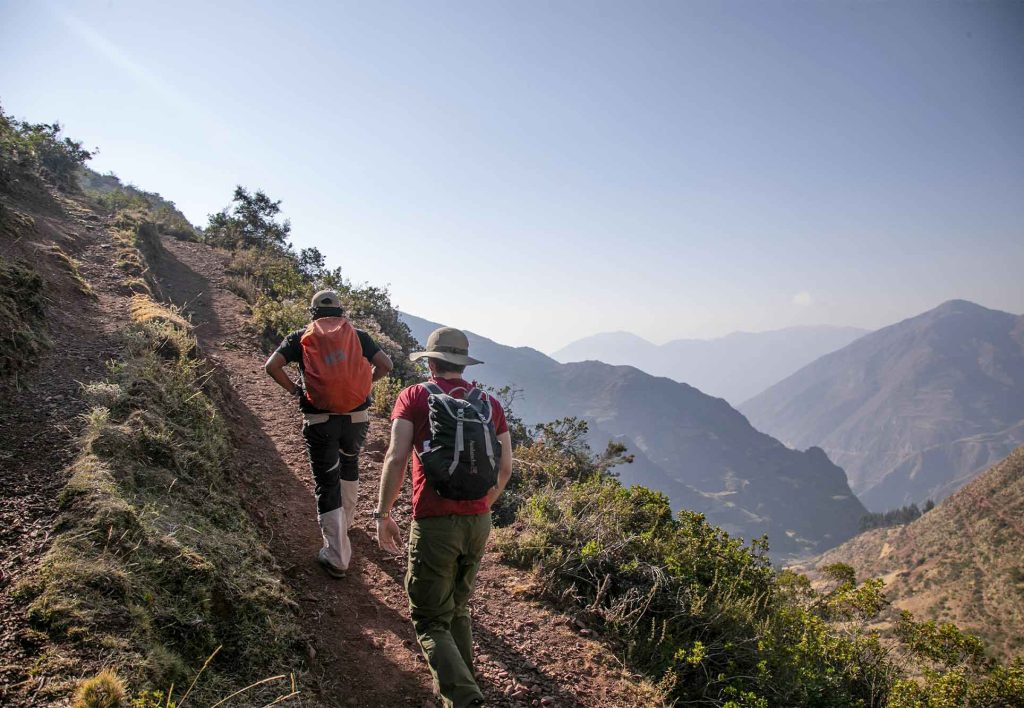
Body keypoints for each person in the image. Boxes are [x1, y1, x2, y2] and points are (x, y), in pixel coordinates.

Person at [376, 327, 513, 708]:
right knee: (456, 608)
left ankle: (464, 697)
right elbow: (504, 469)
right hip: (478, 521)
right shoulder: (489, 403)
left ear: (431, 361)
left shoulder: (415, 397)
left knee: (430, 619)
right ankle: (457, 687)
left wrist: (383, 513)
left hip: (435, 522)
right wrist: (485, 503)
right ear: (462, 363)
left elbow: (396, 457)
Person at [265, 290, 393, 578]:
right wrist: (365, 384)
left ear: (313, 313)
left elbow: (271, 366)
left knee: (326, 480)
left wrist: (295, 390)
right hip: (357, 417)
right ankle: (346, 522)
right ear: (341, 311)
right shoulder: (359, 335)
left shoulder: (300, 337)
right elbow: (387, 365)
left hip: (319, 419)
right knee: (349, 463)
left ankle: (337, 556)